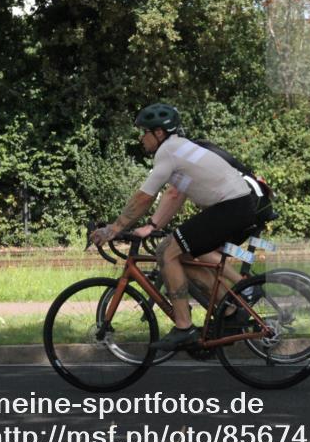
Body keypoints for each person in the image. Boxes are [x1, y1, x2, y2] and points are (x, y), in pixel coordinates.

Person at [89, 103, 259, 350]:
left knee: (166, 251)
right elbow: (176, 194)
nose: (141, 137)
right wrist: (152, 225)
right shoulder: (181, 149)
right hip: (237, 207)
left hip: (230, 208)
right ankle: (231, 310)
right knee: (184, 255)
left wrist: (113, 229)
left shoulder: (168, 151)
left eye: (144, 131)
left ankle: (184, 327)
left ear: (159, 133)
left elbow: (144, 197)